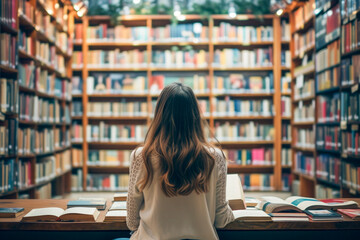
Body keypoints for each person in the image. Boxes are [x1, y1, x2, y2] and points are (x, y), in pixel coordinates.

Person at [126, 82, 235, 240]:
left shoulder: (141, 156)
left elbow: (131, 222)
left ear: (159, 115)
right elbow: (221, 220)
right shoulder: (215, 157)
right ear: (195, 115)